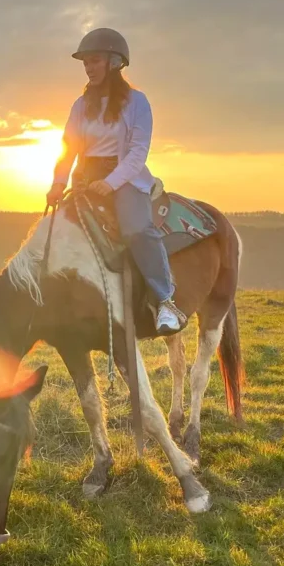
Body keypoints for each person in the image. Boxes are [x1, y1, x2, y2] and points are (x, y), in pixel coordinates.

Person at [46, 28, 187, 336]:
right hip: (84, 180)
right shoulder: (80, 105)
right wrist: (58, 183)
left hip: (125, 179)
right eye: (86, 62)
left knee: (136, 229)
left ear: (114, 62)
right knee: (58, 231)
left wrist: (110, 183)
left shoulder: (137, 102)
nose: (88, 67)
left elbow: (137, 152)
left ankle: (165, 301)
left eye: (94, 60)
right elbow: (68, 148)